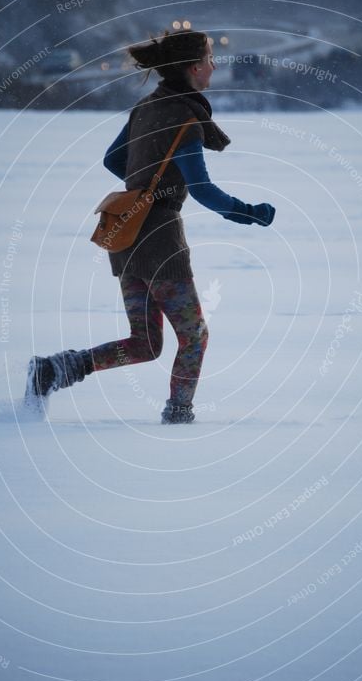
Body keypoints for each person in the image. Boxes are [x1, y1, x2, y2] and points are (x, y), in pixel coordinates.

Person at [25, 29, 276, 424]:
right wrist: (250, 212)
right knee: (194, 336)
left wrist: (142, 183)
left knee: (145, 343)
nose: (214, 65)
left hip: (126, 234)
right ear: (194, 67)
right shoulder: (186, 118)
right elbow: (204, 190)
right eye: (210, 58)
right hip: (161, 242)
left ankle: (56, 369)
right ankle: (179, 414)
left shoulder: (146, 107)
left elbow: (112, 160)